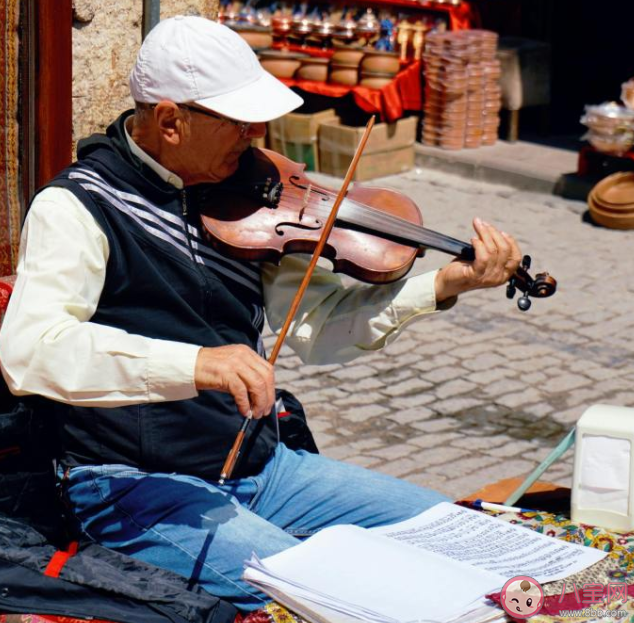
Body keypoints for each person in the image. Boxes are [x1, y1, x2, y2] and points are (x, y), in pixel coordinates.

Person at [0, 16, 521, 612]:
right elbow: (31, 351)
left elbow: (320, 328)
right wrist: (197, 364)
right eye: (238, 122)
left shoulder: (247, 195)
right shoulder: (78, 207)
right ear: (171, 121)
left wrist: (441, 284)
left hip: (263, 469)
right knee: (328, 592)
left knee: (453, 534)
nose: (257, 133)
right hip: (131, 485)